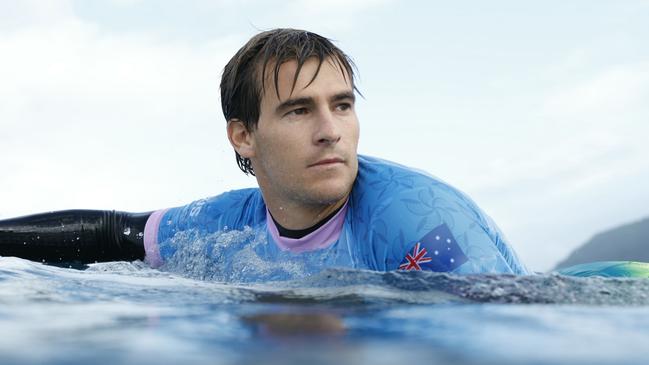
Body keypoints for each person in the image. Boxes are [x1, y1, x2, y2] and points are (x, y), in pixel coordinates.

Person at [0, 29, 529, 279]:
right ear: (242, 136)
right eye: (299, 111)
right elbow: (108, 234)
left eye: (341, 106)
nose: (330, 131)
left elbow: (511, 331)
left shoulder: (420, 222)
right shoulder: (225, 225)